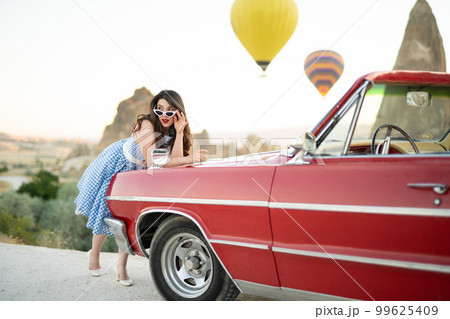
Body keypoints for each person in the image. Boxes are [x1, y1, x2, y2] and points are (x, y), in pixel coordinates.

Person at [75, 90, 205, 286]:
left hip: (141, 170)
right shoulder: (147, 124)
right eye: (159, 109)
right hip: (119, 164)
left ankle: (121, 268)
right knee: (105, 211)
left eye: (170, 111)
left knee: (127, 219)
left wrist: (179, 132)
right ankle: (93, 256)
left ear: (178, 112)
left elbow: (175, 161)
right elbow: (154, 160)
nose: (164, 115)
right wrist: (190, 159)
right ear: (154, 108)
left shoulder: (171, 129)